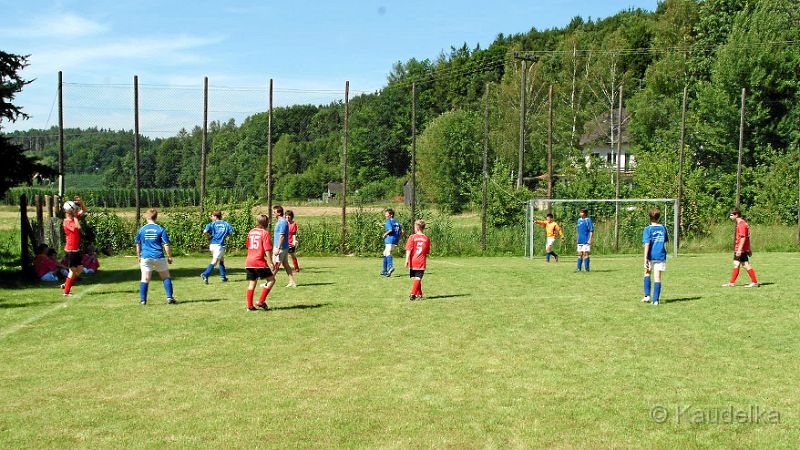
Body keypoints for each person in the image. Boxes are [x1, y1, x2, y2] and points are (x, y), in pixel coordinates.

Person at [134, 208, 177, 305]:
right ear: (156, 217)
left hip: (145, 257)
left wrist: (138, 257)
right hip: (158, 256)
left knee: (144, 278)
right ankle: (169, 297)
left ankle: (143, 300)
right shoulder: (160, 229)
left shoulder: (141, 230)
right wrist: (169, 257)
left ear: (146, 216)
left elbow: (138, 244)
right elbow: (166, 244)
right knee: (166, 277)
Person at [245, 214, 276, 311]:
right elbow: (267, 249)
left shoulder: (251, 232)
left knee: (252, 284)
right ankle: (261, 301)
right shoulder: (265, 233)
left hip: (249, 261)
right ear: (266, 223)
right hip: (259, 262)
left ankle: (250, 306)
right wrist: (270, 262)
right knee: (271, 280)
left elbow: (248, 246)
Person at [722, 207, 759, 288]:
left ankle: (754, 282)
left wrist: (739, 250)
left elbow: (743, 237)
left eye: (731, 215)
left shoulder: (741, 224)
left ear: (736, 215)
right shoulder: (743, 223)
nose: (730, 216)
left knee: (745, 264)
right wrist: (749, 249)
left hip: (740, 248)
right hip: (742, 248)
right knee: (737, 264)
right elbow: (747, 237)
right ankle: (731, 283)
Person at [641, 207, 669, 305]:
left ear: (649, 217)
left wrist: (645, 258)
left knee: (647, 273)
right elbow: (664, 241)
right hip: (661, 255)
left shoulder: (647, 229)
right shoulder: (663, 228)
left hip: (650, 256)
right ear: (659, 217)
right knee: (657, 277)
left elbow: (647, 244)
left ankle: (647, 296)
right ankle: (655, 300)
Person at [62, 196, 87, 296]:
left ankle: (67, 283)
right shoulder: (67, 222)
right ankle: (66, 292)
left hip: (75, 250)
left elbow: (84, 210)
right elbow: (78, 227)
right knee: (72, 271)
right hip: (70, 250)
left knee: (80, 268)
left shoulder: (74, 217)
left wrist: (81, 203)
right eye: (73, 210)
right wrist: (76, 216)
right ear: (69, 212)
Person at [200, 210, 233, 284]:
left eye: (212, 216)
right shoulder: (226, 224)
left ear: (215, 216)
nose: (211, 217)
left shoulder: (211, 224)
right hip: (219, 245)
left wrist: (209, 237)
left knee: (221, 259)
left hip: (212, 245)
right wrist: (228, 238)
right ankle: (205, 274)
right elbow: (230, 234)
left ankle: (223, 277)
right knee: (215, 261)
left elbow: (205, 232)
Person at [404, 219, 431, 301]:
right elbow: (426, 252)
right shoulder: (426, 238)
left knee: (417, 277)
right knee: (418, 278)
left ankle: (419, 294)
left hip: (413, 260)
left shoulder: (412, 237)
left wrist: (406, 260)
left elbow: (409, 249)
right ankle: (413, 294)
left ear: (417, 227)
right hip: (421, 261)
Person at [272, 205, 297, 287]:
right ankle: (292, 282)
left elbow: (282, 236)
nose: (273, 213)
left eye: (274, 212)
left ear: (279, 213)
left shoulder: (282, 222)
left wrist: (278, 248)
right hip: (282, 247)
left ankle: (269, 281)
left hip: (281, 247)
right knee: (285, 264)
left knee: (276, 265)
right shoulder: (280, 221)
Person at [381, 208, 403, 276]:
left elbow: (390, 230)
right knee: (385, 253)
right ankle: (384, 270)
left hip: (390, 239)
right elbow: (402, 231)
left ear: (391, 215)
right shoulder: (396, 222)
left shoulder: (388, 221)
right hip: (394, 240)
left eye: (386, 214)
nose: (385, 215)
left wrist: (385, 234)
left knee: (387, 252)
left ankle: (390, 267)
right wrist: (398, 239)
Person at [575, 208, 594, 272]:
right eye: (580, 212)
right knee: (580, 254)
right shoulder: (578, 220)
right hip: (580, 240)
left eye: (582, 212)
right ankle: (578, 269)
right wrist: (577, 238)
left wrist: (590, 239)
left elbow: (591, 231)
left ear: (585, 213)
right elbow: (578, 231)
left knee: (586, 254)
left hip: (586, 239)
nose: (580, 213)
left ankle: (587, 269)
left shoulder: (588, 220)